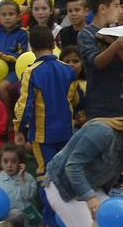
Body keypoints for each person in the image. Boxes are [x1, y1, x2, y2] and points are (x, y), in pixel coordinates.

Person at [13, 26, 77, 175]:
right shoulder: (68, 70)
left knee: (46, 173)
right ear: (54, 45)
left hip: (43, 135)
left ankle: (47, 197)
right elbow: (72, 100)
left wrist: (20, 129)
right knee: (65, 171)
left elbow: (24, 106)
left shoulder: (31, 72)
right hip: (66, 131)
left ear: (32, 48)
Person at [78, 0, 123, 121]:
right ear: (103, 8)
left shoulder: (118, 31)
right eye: (116, 6)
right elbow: (97, 63)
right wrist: (115, 45)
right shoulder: (86, 34)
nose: (120, 11)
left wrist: (111, 41)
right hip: (101, 105)